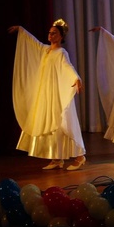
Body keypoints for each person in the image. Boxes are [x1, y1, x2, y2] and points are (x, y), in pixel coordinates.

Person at [7, 19, 86, 171]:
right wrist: (21, 30)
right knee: (50, 125)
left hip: (55, 93)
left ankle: (80, 156)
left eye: (54, 33)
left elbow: (68, 66)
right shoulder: (45, 50)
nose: (50, 35)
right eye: (49, 33)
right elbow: (33, 42)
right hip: (45, 93)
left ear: (61, 36)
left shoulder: (61, 52)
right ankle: (57, 158)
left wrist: (76, 78)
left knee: (62, 123)